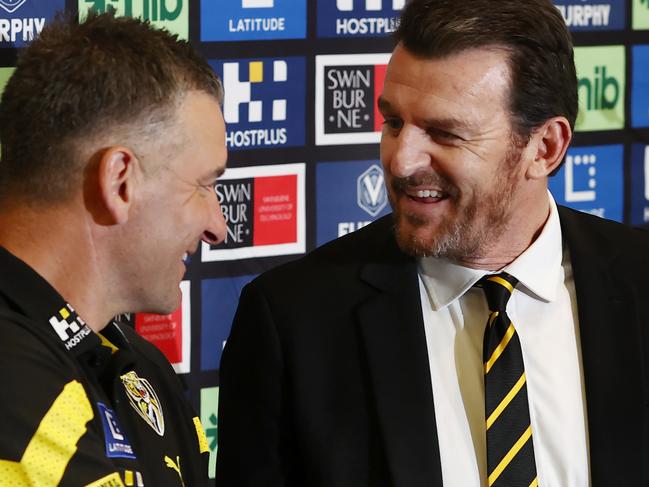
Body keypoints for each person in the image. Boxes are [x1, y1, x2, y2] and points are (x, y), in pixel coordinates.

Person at [216, 0, 649, 486]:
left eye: (445, 133)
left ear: (544, 147)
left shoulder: (640, 279)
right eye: (394, 122)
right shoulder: (294, 321)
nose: (401, 162)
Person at [0, 11, 226, 487]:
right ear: (120, 181)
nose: (218, 227)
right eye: (203, 186)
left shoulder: (142, 367)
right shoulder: (13, 380)